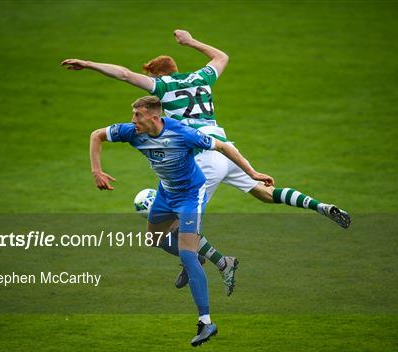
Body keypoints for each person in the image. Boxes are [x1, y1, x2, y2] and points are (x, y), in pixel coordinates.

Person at [62, 29, 350, 294]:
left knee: (167, 229)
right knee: (265, 194)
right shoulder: (202, 78)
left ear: (159, 75)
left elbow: (123, 74)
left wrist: (88, 64)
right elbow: (222, 56)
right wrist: (191, 42)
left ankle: (211, 263)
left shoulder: (161, 87)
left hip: (203, 160)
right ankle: (320, 205)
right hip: (225, 149)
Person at [89, 95, 274, 346]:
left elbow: (222, 146)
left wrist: (252, 173)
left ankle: (206, 322)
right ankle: (205, 258)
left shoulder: (182, 133)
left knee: (186, 252)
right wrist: (96, 171)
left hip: (190, 196)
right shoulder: (131, 132)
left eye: (138, 115)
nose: (133, 120)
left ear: (154, 117)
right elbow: (96, 135)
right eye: (133, 115)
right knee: (154, 240)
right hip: (165, 194)